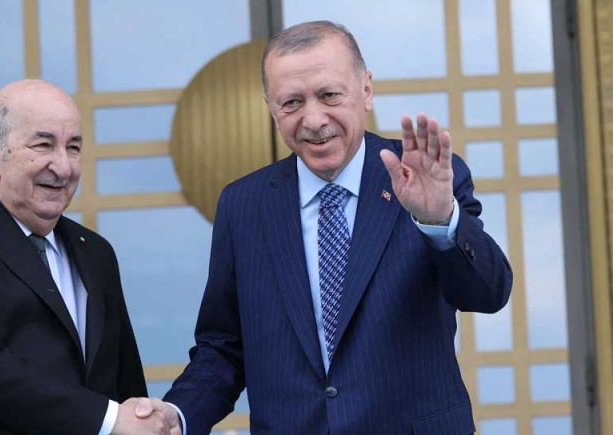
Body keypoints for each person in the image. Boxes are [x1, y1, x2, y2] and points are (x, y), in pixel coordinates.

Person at [161, 21, 513, 434]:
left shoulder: (421, 178)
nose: (313, 120)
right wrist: (176, 415)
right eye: (292, 102)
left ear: (366, 90)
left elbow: (488, 293)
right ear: (271, 108)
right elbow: (223, 348)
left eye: (329, 95)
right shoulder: (243, 206)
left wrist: (439, 220)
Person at [0, 79, 180, 435]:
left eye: (73, 148)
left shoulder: (96, 253)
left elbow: (124, 384)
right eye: (44, 145)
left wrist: (142, 420)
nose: (63, 167)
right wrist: (108, 418)